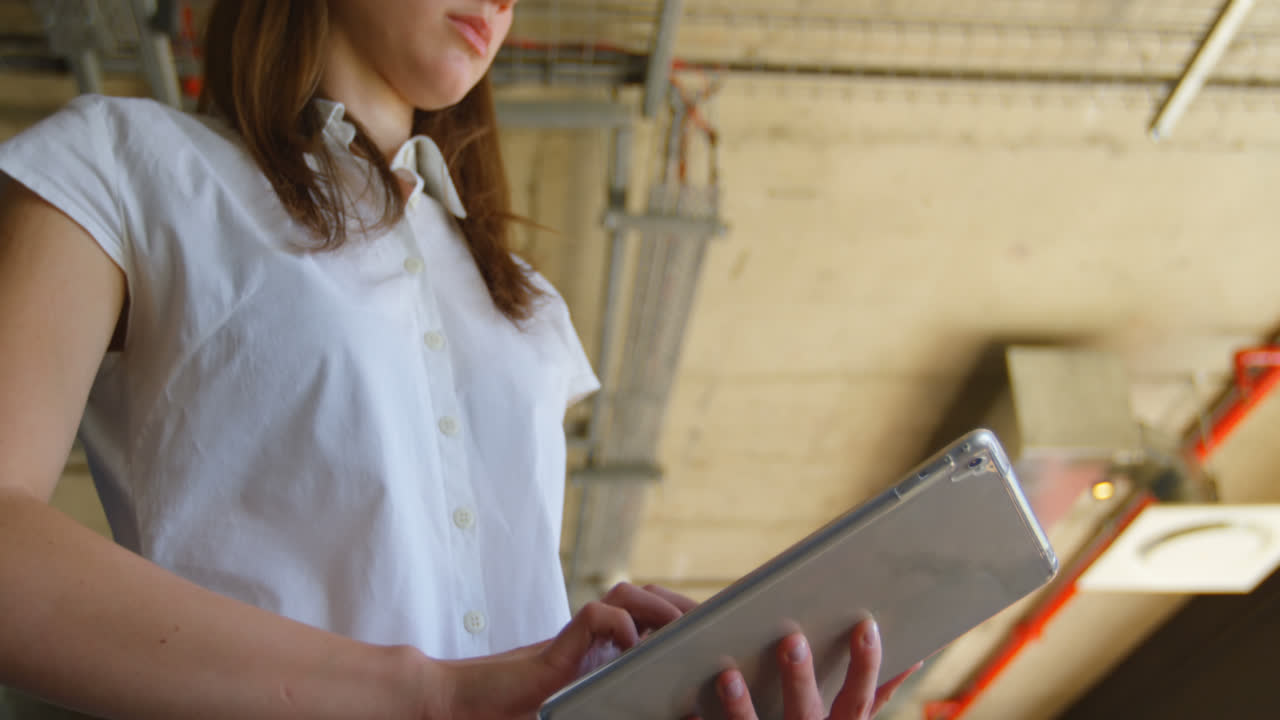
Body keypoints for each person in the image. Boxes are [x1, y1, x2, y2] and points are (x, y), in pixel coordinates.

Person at [0, 1, 913, 717]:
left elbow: (497, 618)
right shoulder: (128, 164)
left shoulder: (523, 302)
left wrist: (644, 677)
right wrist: (427, 694)